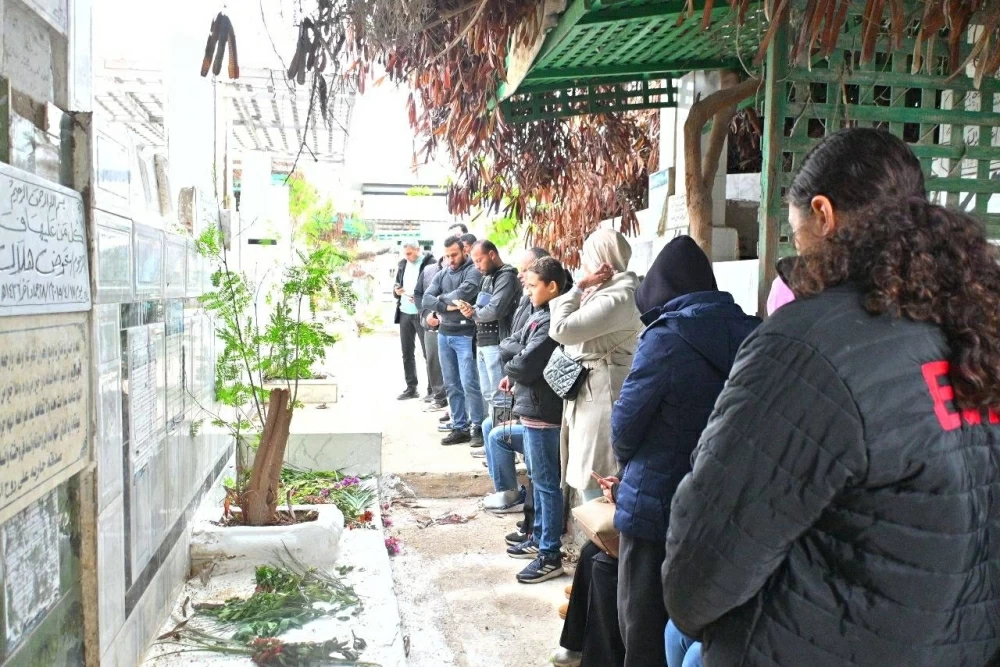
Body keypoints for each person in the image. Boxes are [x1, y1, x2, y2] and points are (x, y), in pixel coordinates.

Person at [662, 128, 1000, 666]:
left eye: (796, 235)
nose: (798, 254)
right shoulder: (976, 327)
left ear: (823, 214)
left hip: (823, 646)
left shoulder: (806, 345)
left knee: (679, 641)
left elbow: (700, 572)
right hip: (960, 646)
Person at [608, 236, 759, 667]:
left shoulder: (664, 338)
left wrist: (626, 468)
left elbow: (624, 427)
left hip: (655, 503)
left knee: (642, 622)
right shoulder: (754, 332)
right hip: (725, 504)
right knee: (695, 624)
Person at [549, 229, 642, 501]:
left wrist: (579, 286)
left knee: (597, 478)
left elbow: (560, 329)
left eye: (587, 256)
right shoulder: (608, 292)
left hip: (602, 395)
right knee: (590, 475)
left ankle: (603, 530)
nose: (583, 264)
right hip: (593, 390)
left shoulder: (618, 297)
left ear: (601, 258)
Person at [500, 256, 567, 583]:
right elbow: (512, 346)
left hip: (543, 411)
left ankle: (550, 554)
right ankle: (539, 538)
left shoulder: (552, 319)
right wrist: (516, 361)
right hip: (532, 406)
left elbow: (525, 364)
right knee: (539, 481)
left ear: (552, 287)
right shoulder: (539, 314)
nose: (527, 292)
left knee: (546, 484)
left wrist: (513, 366)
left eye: (532, 286)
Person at [421, 236, 484, 446]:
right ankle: (459, 426)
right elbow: (426, 298)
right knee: (451, 384)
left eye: (454, 255)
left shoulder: (473, 271)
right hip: (444, 334)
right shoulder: (442, 273)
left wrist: (440, 300)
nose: (450, 260)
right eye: (447, 256)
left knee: (469, 383)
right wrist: (448, 305)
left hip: (466, 334)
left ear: (464, 251)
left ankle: (477, 427)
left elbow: (464, 293)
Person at [460, 241, 519, 424]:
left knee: (501, 396)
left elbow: (494, 310)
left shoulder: (506, 276)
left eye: (479, 260)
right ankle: (493, 437)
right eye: (474, 262)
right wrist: (471, 310)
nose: (477, 266)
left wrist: (474, 313)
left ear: (492, 255)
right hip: (483, 342)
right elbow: (482, 305)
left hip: (498, 342)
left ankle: (503, 438)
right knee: (489, 394)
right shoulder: (486, 277)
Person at [393, 241, 436, 400]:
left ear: (418, 250)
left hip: (422, 313)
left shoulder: (430, 264)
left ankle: (433, 389)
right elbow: (396, 287)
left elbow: (435, 289)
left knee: (428, 353)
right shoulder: (402, 264)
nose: (407, 257)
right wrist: (397, 291)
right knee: (407, 353)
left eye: (410, 253)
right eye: (405, 254)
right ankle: (411, 388)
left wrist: (419, 299)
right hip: (404, 312)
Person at [413, 253, 448, 410]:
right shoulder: (428, 270)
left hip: (455, 325)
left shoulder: (467, 271)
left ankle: (456, 405)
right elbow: (418, 294)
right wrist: (426, 314)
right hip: (431, 325)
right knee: (433, 360)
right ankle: (439, 397)